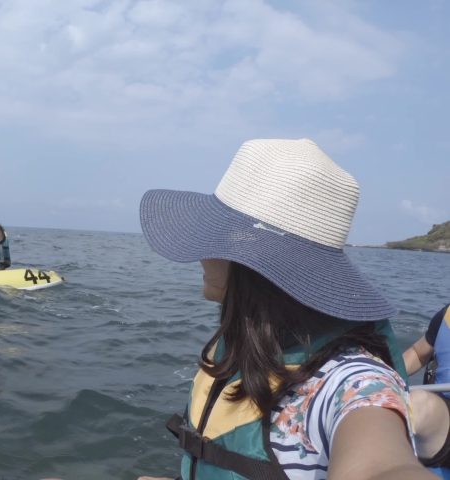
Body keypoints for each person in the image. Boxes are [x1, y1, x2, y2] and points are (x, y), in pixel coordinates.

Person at [134, 139, 435, 480]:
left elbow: (385, 466)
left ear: (248, 258)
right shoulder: (259, 341)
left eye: (213, 236)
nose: (200, 253)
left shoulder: (352, 382)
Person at [404, 304, 450, 469]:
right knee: (417, 403)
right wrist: (384, 374)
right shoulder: (446, 315)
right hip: (443, 415)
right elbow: (418, 354)